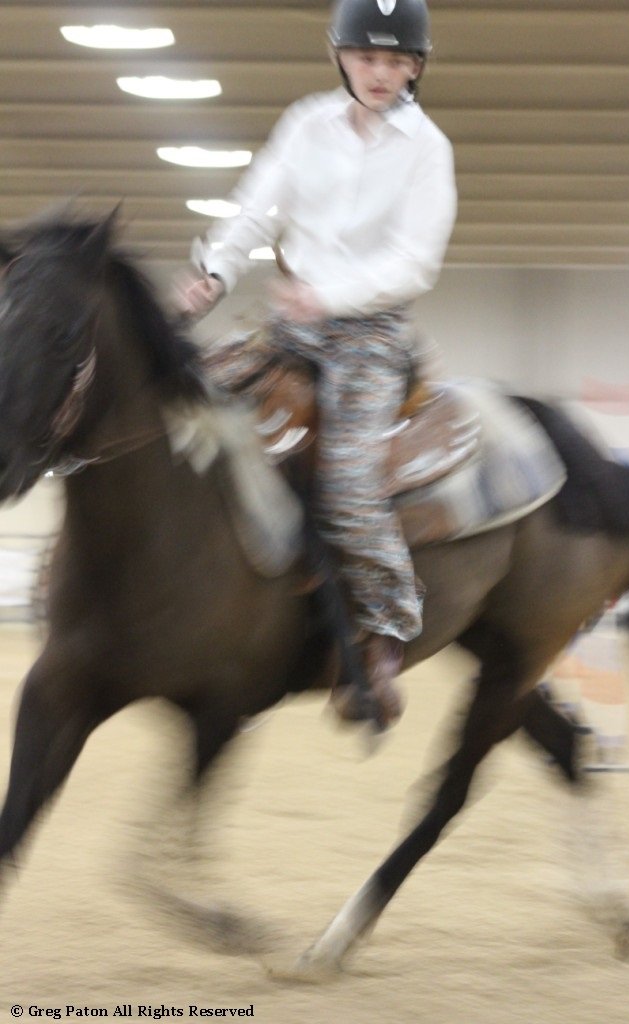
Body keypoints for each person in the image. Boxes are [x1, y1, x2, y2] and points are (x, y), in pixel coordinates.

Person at [175, 0, 457, 727]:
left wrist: (324, 295)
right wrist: (213, 270)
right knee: (186, 413)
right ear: (341, 55)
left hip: (369, 333)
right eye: (368, 58)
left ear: (415, 68)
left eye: (397, 62)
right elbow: (254, 207)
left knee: (348, 484)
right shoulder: (305, 124)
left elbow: (413, 263)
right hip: (291, 323)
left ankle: (390, 624)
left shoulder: (427, 149)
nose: (381, 73)